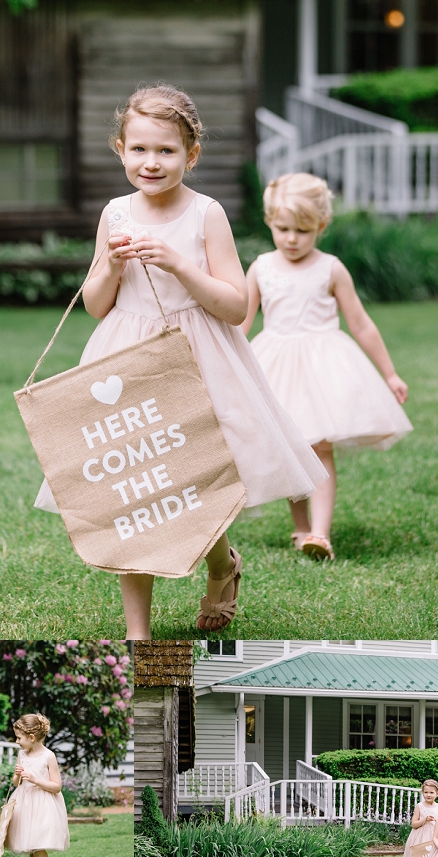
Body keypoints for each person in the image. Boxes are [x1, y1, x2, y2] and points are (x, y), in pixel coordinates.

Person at [34, 85, 327, 636]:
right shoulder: (115, 213)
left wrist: (177, 265)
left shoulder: (205, 214)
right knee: (138, 488)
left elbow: (236, 302)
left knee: (192, 481)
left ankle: (221, 565)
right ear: (120, 150)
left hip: (195, 354)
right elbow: (97, 306)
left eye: (166, 151)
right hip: (126, 357)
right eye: (139, 149)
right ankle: (137, 632)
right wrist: (113, 268)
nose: (152, 162)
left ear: (190, 155)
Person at [241, 173, 413, 561]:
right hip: (275, 363)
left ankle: (320, 532)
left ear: (320, 226)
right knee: (290, 447)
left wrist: (390, 373)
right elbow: (242, 322)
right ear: (269, 222)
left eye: (302, 230)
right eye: (283, 229)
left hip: (324, 367)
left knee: (319, 448)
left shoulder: (331, 268)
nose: (291, 239)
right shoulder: (261, 268)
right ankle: (300, 527)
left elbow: (361, 323)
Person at [6, 713, 70, 857]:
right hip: (25, 805)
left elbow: (56, 786)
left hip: (43, 804)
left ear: (31, 737)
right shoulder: (22, 754)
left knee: (38, 844)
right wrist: (18, 775)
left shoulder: (48, 757)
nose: (17, 741)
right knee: (31, 848)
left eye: (19, 738)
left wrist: (35, 778)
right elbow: (16, 783)